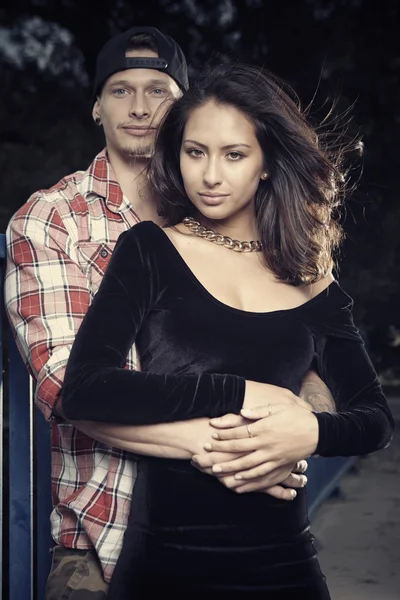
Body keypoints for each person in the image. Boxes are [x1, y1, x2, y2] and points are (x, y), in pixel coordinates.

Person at [5, 27, 335, 599]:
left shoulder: (227, 211)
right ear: (95, 106)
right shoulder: (50, 221)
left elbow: (311, 361)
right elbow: (66, 385)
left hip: (243, 537)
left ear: (185, 109)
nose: (138, 107)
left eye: (158, 90)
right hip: (103, 542)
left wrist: (301, 425)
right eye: (120, 90)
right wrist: (239, 442)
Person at [60, 62, 395, 599]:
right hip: (165, 565)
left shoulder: (308, 275)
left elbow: (374, 420)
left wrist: (310, 431)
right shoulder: (150, 250)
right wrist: (237, 392)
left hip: (286, 568)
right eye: (196, 152)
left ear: (266, 162)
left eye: (234, 155)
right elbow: (83, 392)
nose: (210, 176)